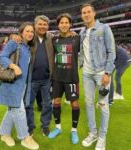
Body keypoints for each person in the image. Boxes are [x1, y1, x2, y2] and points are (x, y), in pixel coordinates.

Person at [0, 22, 39, 150]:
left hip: (22, 85)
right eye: (27, 31)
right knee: (19, 110)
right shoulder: (14, 43)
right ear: (21, 32)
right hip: (11, 84)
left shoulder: (27, 47)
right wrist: (14, 66)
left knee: (12, 111)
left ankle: (4, 134)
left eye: (32, 31)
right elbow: (1, 57)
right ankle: (25, 137)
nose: (30, 33)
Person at [80, 3, 115, 150]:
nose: (86, 15)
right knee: (88, 104)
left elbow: (111, 51)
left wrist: (107, 72)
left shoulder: (104, 28)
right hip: (87, 74)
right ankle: (93, 133)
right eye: (83, 13)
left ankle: (102, 137)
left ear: (94, 13)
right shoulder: (82, 31)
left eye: (88, 12)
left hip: (101, 73)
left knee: (103, 106)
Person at [48, 13, 80, 144]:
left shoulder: (77, 38)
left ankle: (74, 131)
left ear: (70, 24)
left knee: (75, 103)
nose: (64, 25)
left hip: (72, 77)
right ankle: (58, 128)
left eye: (66, 22)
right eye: (62, 23)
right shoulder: (54, 39)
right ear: (58, 25)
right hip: (57, 77)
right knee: (56, 101)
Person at [25, 15, 54, 136]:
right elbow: (20, 38)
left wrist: (72, 33)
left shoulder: (52, 38)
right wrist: (14, 36)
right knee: (28, 105)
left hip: (47, 79)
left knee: (47, 105)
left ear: (48, 26)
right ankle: (30, 127)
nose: (42, 26)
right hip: (31, 79)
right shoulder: (30, 37)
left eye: (45, 24)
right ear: (35, 25)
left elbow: (65, 37)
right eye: (40, 24)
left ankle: (45, 126)